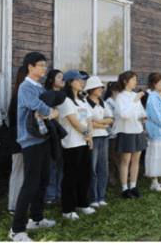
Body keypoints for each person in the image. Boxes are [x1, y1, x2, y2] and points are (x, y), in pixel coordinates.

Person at [10, 52, 58, 242]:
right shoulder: (26, 87)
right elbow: (39, 107)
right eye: (41, 65)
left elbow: (45, 108)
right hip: (31, 140)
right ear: (30, 67)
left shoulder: (38, 86)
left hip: (43, 138)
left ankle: (36, 219)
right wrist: (51, 112)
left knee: (43, 181)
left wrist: (48, 112)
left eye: (45, 65)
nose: (44, 69)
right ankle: (17, 230)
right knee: (30, 184)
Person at [56, 70, 94, 221]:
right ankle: (68, 209)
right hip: (72, 143)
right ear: (70, 82)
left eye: (83, 80)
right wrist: (86, 133)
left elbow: (88, 119)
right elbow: (74, 122)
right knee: (71, 176)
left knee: (84, 174)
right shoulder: (66, 100)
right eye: (79, 80)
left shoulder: (83, 99)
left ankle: (83, 204)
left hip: (84, 141)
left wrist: (90, 135)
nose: (82, 83)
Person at [114, 71, 147, 198]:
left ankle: (133, 186)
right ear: (125, 81)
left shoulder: (135, 95)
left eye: (135, 80)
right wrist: (135, 100)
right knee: (125, 160)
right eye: (133, 80)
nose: (135, 82)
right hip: (126, 132)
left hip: (137, 130)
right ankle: (124, 188)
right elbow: (124, 115)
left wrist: (143, 117)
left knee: (136, 160)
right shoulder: (120, 97)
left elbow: (140, 111)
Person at [84, 77, 112, 208]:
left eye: (101, 87)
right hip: (92, 137)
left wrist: (98, 123)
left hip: (104, 137)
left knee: (103, 167)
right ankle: (92, 198)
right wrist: (102, 124)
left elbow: (110, 119)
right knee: (92, 168)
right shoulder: (84, 102)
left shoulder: (103, 102)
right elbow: (87, 122)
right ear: (91, 89)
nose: (101, 89)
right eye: (98, 87)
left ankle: (101, 196)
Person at [6, 64, 29, 214]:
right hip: (19, 140)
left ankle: (19, 204)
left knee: (22, 172)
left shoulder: (19, 93)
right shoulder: (20, 95)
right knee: (18, 172)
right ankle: (13, 205)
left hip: (23, 139)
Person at [42, 69, 66, 205]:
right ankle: (49, 195)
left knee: (61, 164)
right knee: (52, 165)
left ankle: (58, 193)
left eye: (63, 77)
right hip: (51, 135)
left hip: (64, 135)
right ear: (51, 80)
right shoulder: (48, 96)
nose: (62, 80)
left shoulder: (65, 96)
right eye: (58, 77)